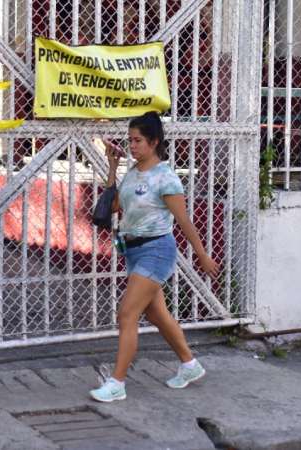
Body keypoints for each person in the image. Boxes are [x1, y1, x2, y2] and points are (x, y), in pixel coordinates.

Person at [90, 112, 219, 403]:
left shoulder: (166, 177)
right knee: (156, 314)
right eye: (130, 140)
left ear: (154, 142)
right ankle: (189, 365)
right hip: (133, 250)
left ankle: (117, 383)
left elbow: (184, 220)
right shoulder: (133, 172)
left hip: (157, 250)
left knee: (127, 314)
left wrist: (201, 255)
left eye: (138, 141)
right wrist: (113, 167)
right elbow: (111, 207)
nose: (132, 146)